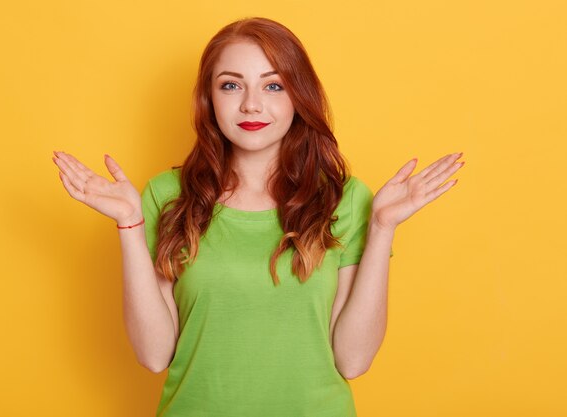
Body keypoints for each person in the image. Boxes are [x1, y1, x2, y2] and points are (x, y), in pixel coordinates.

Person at [52, 16, 463, 417]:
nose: (251, 104)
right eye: (231, 85)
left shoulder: (346, 200)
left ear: (298, 96)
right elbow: (154, 354)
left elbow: (353, 361)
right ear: (209, 99)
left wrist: (381, 227)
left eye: (273, 85)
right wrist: (129, 222)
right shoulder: (167, 196)